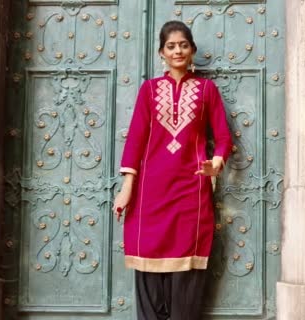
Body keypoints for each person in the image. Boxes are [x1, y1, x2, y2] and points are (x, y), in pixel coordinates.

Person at [112, 20, 233, 320]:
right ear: (161, 53)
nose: (177, 50)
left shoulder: (207, 90)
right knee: (148, 266)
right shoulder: (149, 90)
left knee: (187, 279)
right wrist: (127, 188)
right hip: (149, 194)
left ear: (192, 50)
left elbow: (223, 137)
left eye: (183, 45)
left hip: (191, 192)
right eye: (171, 46)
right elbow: (136, 140)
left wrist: (215, 164)